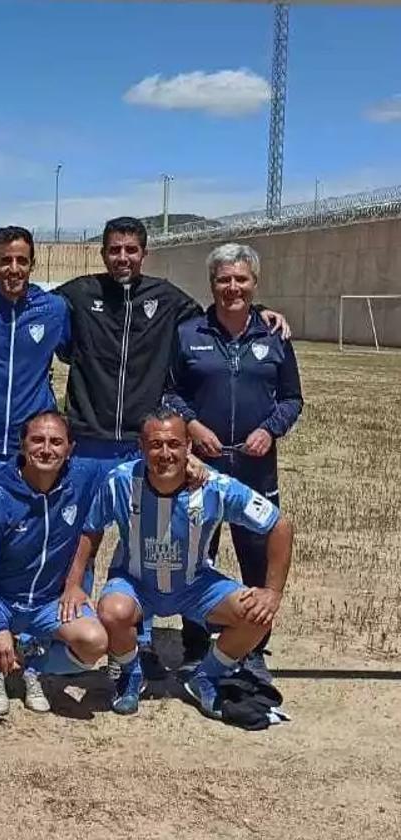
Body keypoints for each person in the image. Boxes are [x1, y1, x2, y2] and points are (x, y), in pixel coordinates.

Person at [53, 216, 290, 676]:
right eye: (114, 249)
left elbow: (221, 313)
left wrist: (262, 316)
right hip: (88, 440)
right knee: (80, 533)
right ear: (103, 253)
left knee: (146, 539)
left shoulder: (165, 299)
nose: (123, 257)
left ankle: (138, 644)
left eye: (131, 250)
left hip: (141, 446)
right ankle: (79, 636)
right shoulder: (78, 293)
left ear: (144, 254)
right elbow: (28, 305)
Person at [60, 408, 294, 719]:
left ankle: (206, 676)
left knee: (258, 615)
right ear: (142, 448)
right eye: (156, 445)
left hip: (194, 585)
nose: (165, 453)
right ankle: (131, 672)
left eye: (174, 444)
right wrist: (74, 585)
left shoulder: (215, 487)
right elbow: (91, 530)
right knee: (112, 611)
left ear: (189, 447)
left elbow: (280, 526)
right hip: (136, 583)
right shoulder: (120, 482)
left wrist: (273, 592)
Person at [164, 243, 303, 680]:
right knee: (196, 552)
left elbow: (293, 398)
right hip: (203, 466)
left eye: (240, 279)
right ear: (212, 284)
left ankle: (254, 646)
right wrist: (192, 426)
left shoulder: (273, 335)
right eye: (224, 279)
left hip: (255, 467)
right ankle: (194, 641)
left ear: (254, 283)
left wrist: (270, 429)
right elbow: (170, 393)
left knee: (256, 555)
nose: (232, 287)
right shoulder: (189, 334)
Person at [0, 412, 108, 716]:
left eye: (56, 442)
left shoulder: (83, 479)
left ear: (70, 449)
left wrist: (74, 582)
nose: (46, 449)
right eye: (37, 440)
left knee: (94, 641)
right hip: (2, 600)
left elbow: (136, 472)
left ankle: (33, 667)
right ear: (23, 446)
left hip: (47, 603)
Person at [0, 226, 70, 524]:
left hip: (30, 448)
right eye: (6, 261)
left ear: (33, 264)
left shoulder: (54, 310)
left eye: (22, 260)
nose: (14, 269)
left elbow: (73, 352)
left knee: (27, 531)